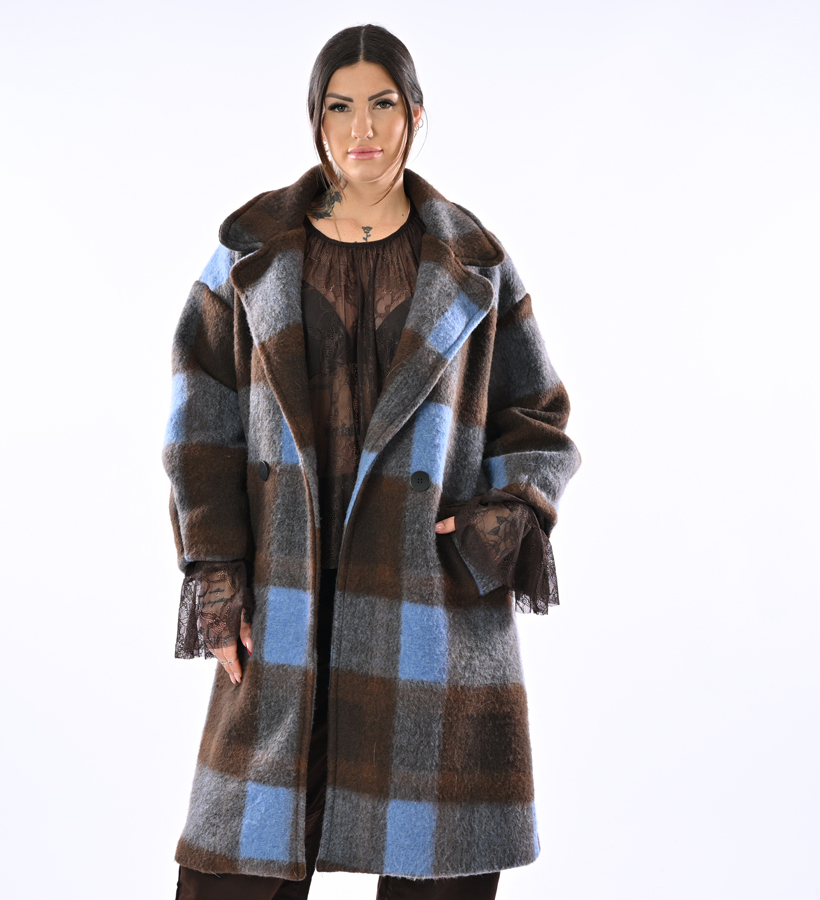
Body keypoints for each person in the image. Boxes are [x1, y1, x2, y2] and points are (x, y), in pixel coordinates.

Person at [164, 24, 581, 900]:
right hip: (287, 598)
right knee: (231, 870)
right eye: (340, 106)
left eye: (383, 104)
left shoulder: (475, 262)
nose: (363, 128)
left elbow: (539, 416)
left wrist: (499, 520)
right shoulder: (249, 253)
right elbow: (201, 418)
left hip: (425, 600)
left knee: (436, 870)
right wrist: (216, 570)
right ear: (315, 120)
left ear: (416, 115)